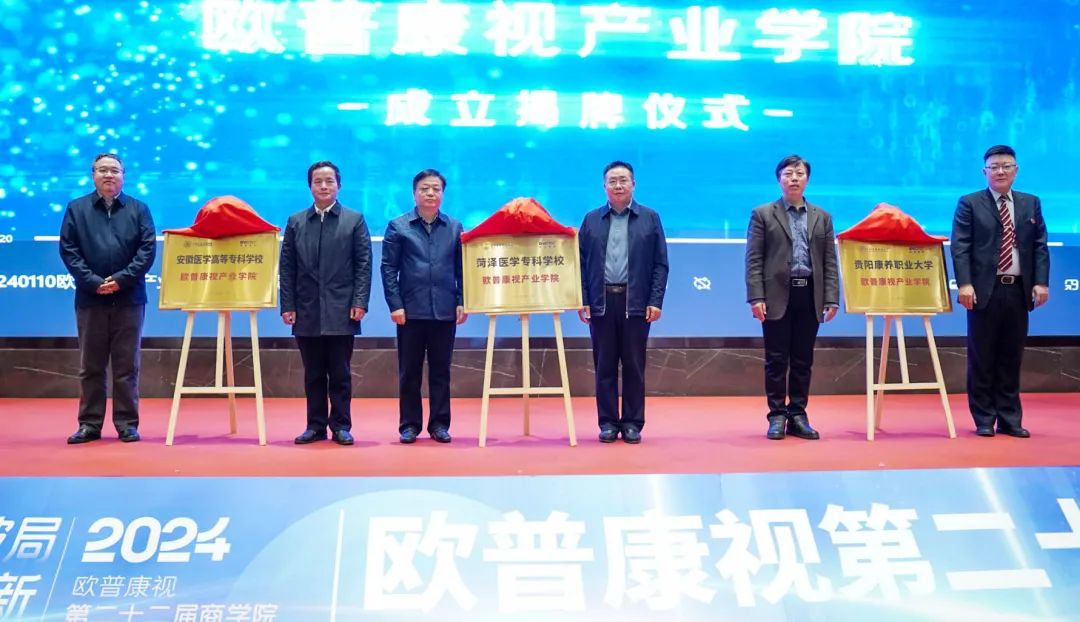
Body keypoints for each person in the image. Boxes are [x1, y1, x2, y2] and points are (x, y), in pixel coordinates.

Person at [951, 145, 1049, 438]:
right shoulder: (970, 203)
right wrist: (965, 283)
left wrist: (1041, 282)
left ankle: (1009, 418)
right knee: (982, 356)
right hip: (984, 290)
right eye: (994, 167)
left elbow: (1039, 246)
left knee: (1011, 356)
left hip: (1018, 290)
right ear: (985, 172)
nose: (1000, 171)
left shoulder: (1030, 203)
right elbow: (960, 246)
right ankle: (984, 418)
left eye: (1006, 166)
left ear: (1016, 170)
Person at [60, 153, 156, 444]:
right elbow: (69, 250)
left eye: (115, 170)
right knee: (91, 366)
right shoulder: (77, 208)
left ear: (123, 176)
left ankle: (127, 424)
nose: (109, 175)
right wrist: (93, 282)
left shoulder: (139, 209)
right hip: (91, 298)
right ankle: (89, 424)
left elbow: (147, 250)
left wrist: (121, 280)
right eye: (103, 170)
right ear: (93, 175)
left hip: (129, 298)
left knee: (127, 366)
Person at [745, 154, 839, 441]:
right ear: (779, 180)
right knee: (776, 360)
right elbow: (754, 259)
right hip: (775, 295)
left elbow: (829, 261)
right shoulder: (763, 214)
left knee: (802, 360)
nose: (794, 178)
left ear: (807, 179)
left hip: (810, 294)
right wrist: (756, 297)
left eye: (799, 174)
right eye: (788, 174)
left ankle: (798, 415)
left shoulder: (822, 217)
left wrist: (832, 298)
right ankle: (776, 415)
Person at [280, 160, 372, 446]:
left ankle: (341, 426)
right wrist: (288, 305)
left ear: (338, 186)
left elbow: (363, 265)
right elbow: (287, 267)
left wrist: (360, 301)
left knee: (341, 373)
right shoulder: (296, 221)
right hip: (306, 309)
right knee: (313, 373)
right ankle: (315, 426)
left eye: (329, 181)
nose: (323, 186)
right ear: (310, 186)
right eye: (318, 181)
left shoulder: (354, 220)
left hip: (342, 309)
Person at [578, 161, 669, 444]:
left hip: (636, 303)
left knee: (634, 366)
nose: (618, 186)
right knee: (604, 366)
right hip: (601, 302)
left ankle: (632, 423)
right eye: (612, 181)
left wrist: (655, 300)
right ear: (604, 186)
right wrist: (582, 299)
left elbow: (660, 264)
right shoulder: (591, 220)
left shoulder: (650, 218)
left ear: (633, 184)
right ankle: (607, 422)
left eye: (623, 180)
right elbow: (579, 264)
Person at [381, 169, 466, 444]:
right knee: (409, 372)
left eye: (436, 189)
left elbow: (462, 269)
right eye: (424, 189)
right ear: (414, 193)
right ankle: (409, 425)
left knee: (441, 371)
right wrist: (395, 304)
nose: (430, 193)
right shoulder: (398, 226)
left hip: (444, 310)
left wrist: (462, 300)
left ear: (443, 193)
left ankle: (439, 424)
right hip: (410, 311)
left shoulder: (454, 227)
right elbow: (388, 269)